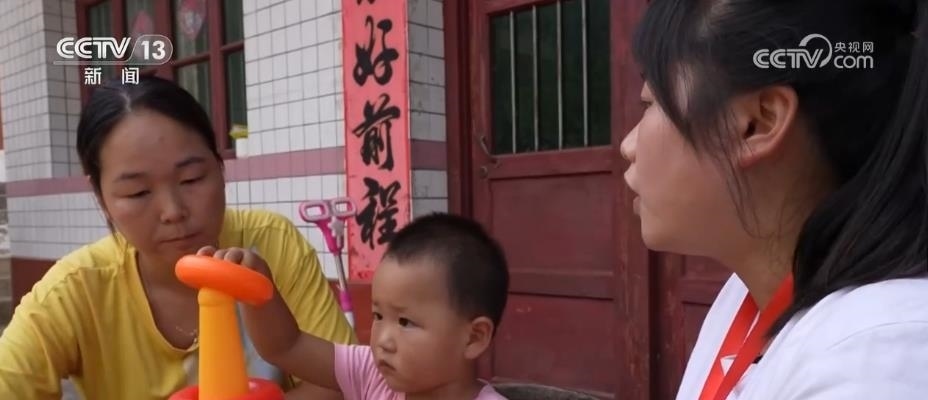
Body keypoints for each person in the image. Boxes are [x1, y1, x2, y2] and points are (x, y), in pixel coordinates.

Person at [622, 0, 927, 399]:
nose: (628, 146)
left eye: (650, 103)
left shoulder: (876, 361)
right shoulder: (747, 294)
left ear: (758, 122)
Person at [0, 76, 356, 399]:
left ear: (219, 168)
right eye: (138, 192)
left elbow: (341, 382)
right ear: (101, 197)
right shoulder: (76, 290)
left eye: (191, 180)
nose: (173, 211)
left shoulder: (270, 244)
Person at [200, 213, 510, 400]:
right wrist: (256, 284)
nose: (383, 340)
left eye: (405, 322)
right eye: (378, 315)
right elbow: (286, 347)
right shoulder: (371, 374)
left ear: (473, 337)